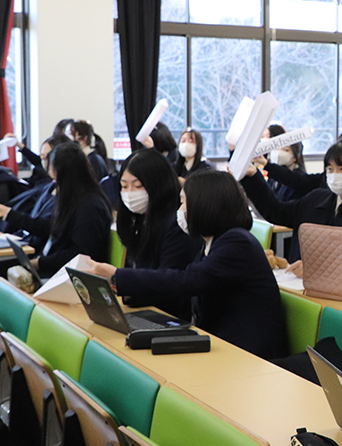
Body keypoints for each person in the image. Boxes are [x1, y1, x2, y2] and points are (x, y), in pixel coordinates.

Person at [88, 170, 287, 360]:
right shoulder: (214, 241)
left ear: (205, 205)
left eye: (184, 202)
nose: (180, 210)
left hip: (250, 353)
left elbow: (187, 281)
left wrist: (118, 275)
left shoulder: (237, 242)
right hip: (225, 344)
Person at [239, 139, 342, 265]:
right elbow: (277, 212)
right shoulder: (316, 199)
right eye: (330, 169)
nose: (335, 175)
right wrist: (253, 177)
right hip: (296, 284)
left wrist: (315, 269)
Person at [115, 149, 203, 319]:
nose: (130, 193)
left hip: (170, 315)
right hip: (145, 310)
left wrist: (122, 282)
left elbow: (170, 284)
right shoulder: (140, 219)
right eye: (124, 186)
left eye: (138, 186)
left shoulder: (177, 224)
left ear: (157, 184)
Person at [21, 142, 113, 278]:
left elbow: (81, 255)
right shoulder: (72, 197)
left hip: (71, 277)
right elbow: (50, 226)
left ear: (57, 172)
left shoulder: (90, 206)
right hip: (57, 270)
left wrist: (40, 262)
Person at [0, 134, 72, 253]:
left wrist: (8, 213)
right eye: (43, 158)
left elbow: (46, 227)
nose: (45, 164)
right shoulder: (49, 188)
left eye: (48, 159)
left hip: (39, 253)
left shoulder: (67, 194)